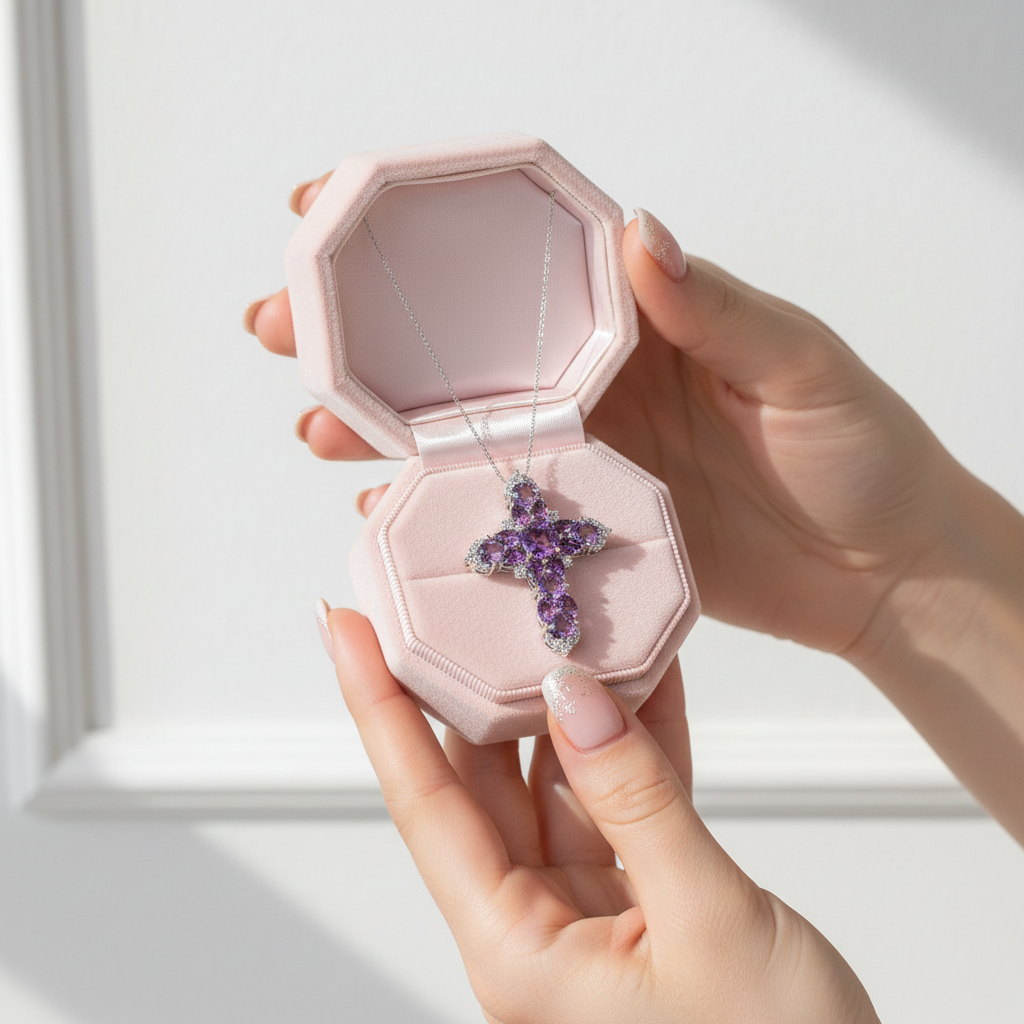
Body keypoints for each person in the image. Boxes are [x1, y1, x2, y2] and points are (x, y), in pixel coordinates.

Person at [245, 178, 1024, 1023]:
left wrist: (898, 569)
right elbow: (526, 547)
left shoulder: (551, 531)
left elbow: (571, 542)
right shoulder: (532, 533)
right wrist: (900, 570)